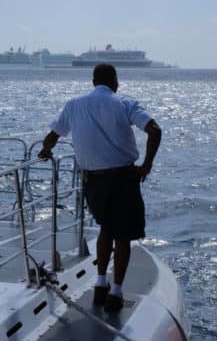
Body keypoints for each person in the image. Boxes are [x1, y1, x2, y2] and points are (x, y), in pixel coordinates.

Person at [37, 64, 161, 313]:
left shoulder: (74, 105)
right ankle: (115, 293)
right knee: (123, 236)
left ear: (93, 81)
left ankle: (101, 284)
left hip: (93, 182)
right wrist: (146, 164)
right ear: (115, 82)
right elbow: (154, 130)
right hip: (124, 178)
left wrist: (45, 151)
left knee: (106, 229)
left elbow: (52, 136)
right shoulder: (125, 103)